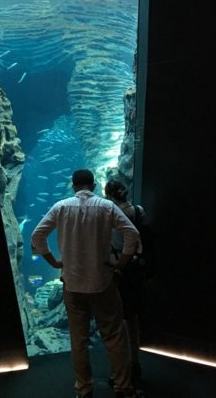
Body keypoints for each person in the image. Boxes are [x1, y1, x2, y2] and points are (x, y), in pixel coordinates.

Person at [31, 169, 141, 398]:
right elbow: (131, 233)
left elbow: (37, 235)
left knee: (78, 340)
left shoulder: (60, 207)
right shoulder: (107, 207)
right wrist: (121, 262)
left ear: (73, 185)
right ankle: (123, 387)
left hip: (72, 285)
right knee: (114, 335)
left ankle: (84, 388)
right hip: (103, 283)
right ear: (93, 185)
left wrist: (53, 262)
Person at [105, 180, 152, 395]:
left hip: (118, 271)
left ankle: (121, 372)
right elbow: (147, 239)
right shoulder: (138, 211)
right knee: (133, 320)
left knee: (117, 321)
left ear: (109, 195)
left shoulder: (109, 215)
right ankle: (135, 364)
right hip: (136, 272)